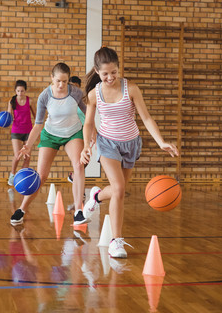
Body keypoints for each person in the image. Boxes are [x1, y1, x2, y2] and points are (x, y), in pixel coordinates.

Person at [80, 47, 179, 258]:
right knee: (118, 188)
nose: (110, 77)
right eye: (105, 73)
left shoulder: (131, 88)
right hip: (107, 144)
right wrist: (86, 146)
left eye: (114, 72)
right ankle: (116, 241)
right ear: (97, 72)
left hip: (131, 143)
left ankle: (96, 196)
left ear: (118, 68)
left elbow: (146, 118)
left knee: (120, 191)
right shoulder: (94, 94)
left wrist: (160, 141)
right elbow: (88, 123)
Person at [10, 63, 87, 226]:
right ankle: (21, 209)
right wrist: (28, 145)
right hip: (50, 134)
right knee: (41, 176)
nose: (61, 85)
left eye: (65, 81)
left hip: (73, 133)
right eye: (58, 80)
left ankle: (79, 211)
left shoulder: (76, 93)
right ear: (52, 78)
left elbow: (88, 116)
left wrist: (92, 137)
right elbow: (38, 124)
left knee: (78, 166)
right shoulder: (45, 96)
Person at [7, 80, 36, 186]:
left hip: (28, 131)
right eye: (18, 91)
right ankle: (12, 175)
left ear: (25, 91)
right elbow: (8, 117)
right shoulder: (12, 101)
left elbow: (36, 116)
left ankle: (22, 177)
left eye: (22, 91)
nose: (20, 93)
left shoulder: (30, 101)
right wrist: (4, 120)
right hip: (16, 131)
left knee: (27, 156)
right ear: (15, 91)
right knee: (18, 155)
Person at [67, 76, 86, 183]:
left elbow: (88, 115)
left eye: (76, 86)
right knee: (79, 160)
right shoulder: (66, 99)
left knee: (85, 159)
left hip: (85, 130)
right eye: (72, 86)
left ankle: (74, 176)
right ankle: (80, 190)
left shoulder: (82, 99)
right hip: (74, 132)